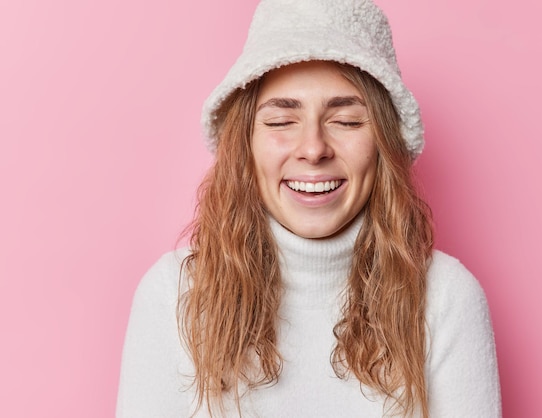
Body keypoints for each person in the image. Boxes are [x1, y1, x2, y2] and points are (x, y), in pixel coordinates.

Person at [116, 0, 502, 417]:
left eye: (348, 121)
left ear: (384, 146)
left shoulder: (446, 298)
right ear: (244, 146)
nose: (314, 149)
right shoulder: (173, 297)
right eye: (282, 122)